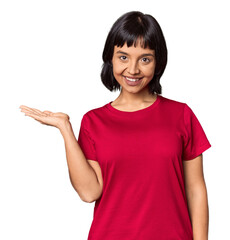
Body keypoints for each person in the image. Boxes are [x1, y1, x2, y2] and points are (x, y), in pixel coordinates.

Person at [19, 11, 211, 240]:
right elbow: (89, 192)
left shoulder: (181, 114)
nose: (133, 69)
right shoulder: (94, 121)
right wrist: (65, 129)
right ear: (110, 58)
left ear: (158, 61)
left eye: (145, 59)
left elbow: (195, 190)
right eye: (123, 57)